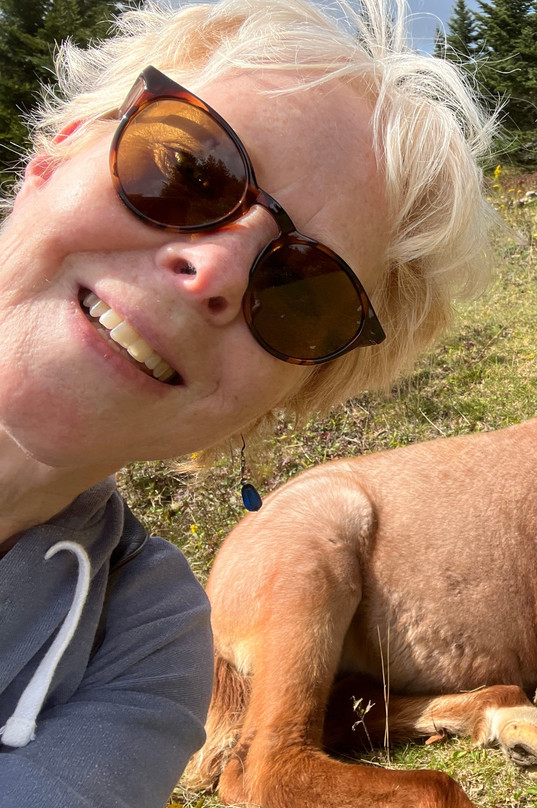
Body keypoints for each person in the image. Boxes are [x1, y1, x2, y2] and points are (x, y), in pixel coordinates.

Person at [0, 0, 497, 804]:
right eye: (187, 167)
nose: (220, 272)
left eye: (303, 295)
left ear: (274, 406)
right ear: (55, 156)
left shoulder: (146, 643)